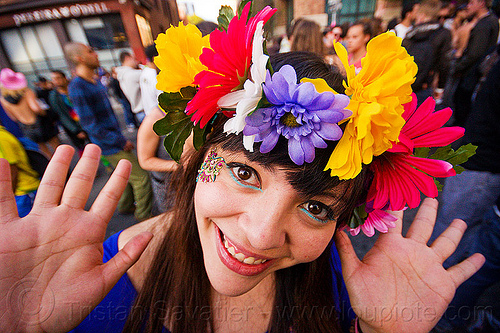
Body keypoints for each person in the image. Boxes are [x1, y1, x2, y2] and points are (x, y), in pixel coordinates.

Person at [0, 6, 485, 333]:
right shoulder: (75, 289)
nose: (261, 234)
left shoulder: (345, 283)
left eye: (316, 206)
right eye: (245, 173)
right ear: (194, 155)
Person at [64, 42, 152, 221]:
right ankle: (144, 220)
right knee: (142, 179)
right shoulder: (77, 86)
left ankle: (125, 206)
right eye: (90, 51)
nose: (95, 54)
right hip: (109, 144)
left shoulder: (93, 81)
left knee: (125, 176)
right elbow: (91, 125)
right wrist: (119, 141)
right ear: (79, 58)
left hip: (113, 140)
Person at [452, 0, 499, 126]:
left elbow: (475, 54)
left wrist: (457, 68)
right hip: (473, 74)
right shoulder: (487, 21)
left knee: (462, 113)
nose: (468, 6)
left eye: (472, 3)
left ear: (481, 3)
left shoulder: (485, 24)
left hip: (471, 76)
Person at [0, 68, 60, 157]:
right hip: (40, 123)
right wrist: (45, 113)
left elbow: (13, 118)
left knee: (45, 152)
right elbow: (36, 108)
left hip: (26, 127)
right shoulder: (26, 92)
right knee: (58, 149)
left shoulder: (3, 99)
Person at [403, 0, 452, 104]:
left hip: (404, 84)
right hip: (424, 85)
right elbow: (444, 64)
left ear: (422, 15)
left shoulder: (411, 33)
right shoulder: (443, 33)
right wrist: (440, 87)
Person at [0, 122, 40, 217]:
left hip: (23, 192)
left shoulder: (1, 139)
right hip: (22, 193)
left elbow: (11, 171)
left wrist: (8, 198)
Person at [49, 70, 87, 154]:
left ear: (64, 78)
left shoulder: (74, 89)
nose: (56, 81)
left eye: (58, 78)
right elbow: (61, 115)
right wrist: (75, 130)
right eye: (53, 79)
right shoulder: (54, 96)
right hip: (72, 127)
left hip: (86, 122)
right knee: (81, 148)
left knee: (96, 146)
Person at [115, 51, 146, 124]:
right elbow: (150, 74)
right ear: (127, 58)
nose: (136, 61)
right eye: (134, 58)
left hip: (139, 112)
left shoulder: (122, 75)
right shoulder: (131, 74)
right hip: (145, 111)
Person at [140, 45, 162, 116]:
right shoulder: (155, 75)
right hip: (158, 115)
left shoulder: (144, 72)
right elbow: (161, 97)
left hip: (148, 114)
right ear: (155, 58)